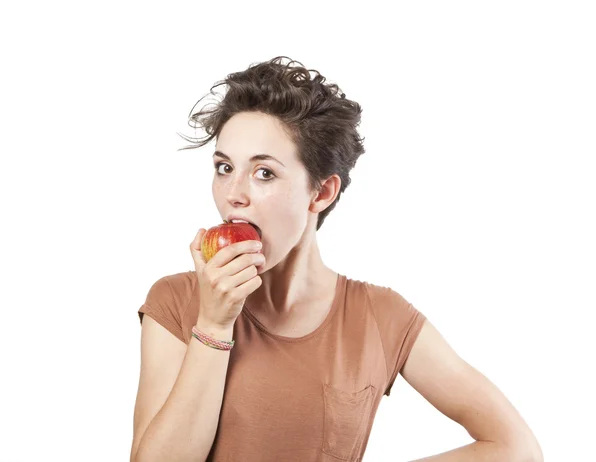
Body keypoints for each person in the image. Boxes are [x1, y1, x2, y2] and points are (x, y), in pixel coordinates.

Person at [130, 57, 543, 462]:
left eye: (264, 173)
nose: (233, 193)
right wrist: (215, 325)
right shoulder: (176, 301)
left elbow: (516, 448)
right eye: (224, 167)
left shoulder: (380, 317)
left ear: (321, 192)